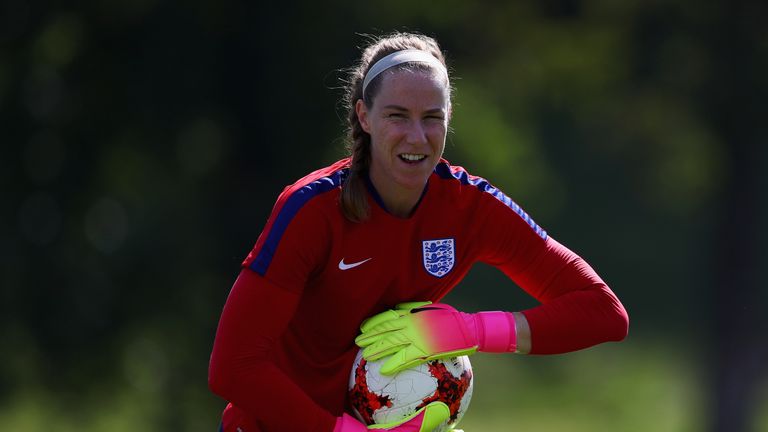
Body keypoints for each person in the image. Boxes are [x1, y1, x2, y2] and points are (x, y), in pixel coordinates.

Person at [208, 32, 629, 432]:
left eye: (432, 118)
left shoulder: (471, 207)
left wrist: (475, 331)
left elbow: (604, 314)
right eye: (397, 116)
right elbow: (233, 367)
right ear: (364, 116)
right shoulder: (312, 208)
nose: (417, 136)